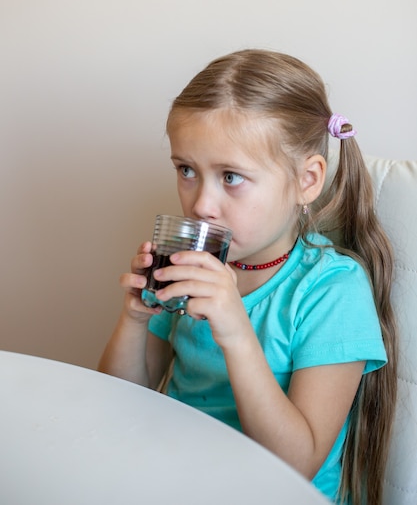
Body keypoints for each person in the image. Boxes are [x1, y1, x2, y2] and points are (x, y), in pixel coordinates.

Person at [99, 49, 397, 505]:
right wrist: (135, 319)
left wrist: (237, 332)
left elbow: (296, 465)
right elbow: (118, 402)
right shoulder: (193, 270)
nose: (201, 205)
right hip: (179, 479)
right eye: (186, 171)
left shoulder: (332, 290)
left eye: (232, 177)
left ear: (307, 181)